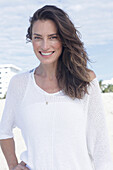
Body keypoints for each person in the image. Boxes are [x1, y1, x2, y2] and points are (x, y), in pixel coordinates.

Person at [0, 5, 113, 170]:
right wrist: (13, 166)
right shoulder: (19, 83)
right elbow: (4, 133)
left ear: (63, 39)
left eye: (52, 37)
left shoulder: (85, 80)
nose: (45, 46)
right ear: (31, 39)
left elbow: (100, 146)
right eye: (38, 37)